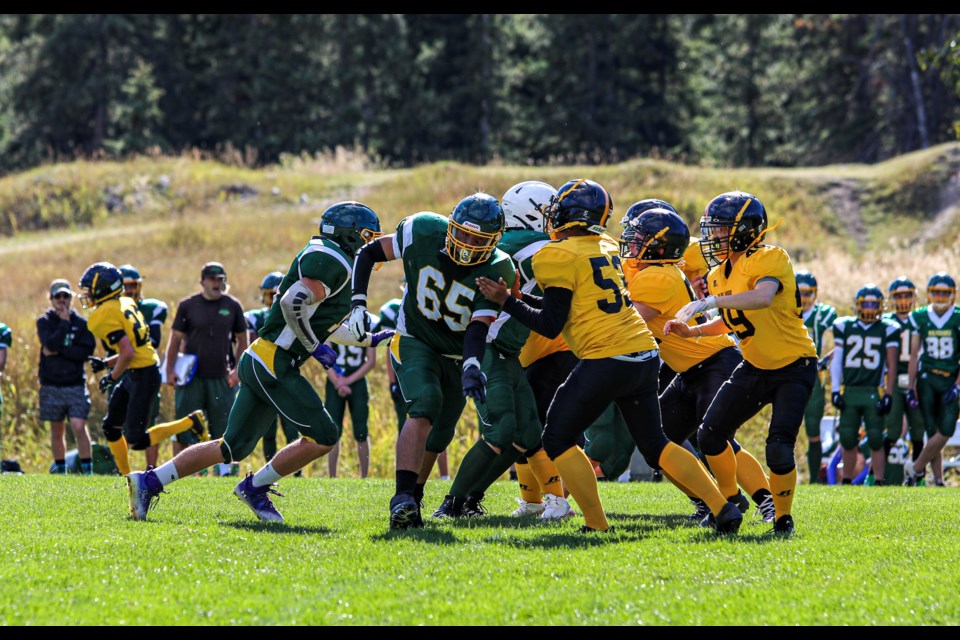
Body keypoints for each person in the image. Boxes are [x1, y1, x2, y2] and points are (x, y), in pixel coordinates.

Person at [478, 179, 742, 534]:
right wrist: (520, 300)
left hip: (607, 356)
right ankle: (723, 508)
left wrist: (506, 301)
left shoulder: (554, 255)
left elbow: (552, 324)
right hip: (643, 353)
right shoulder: (605, 245)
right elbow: (571, 305)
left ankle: (596, 524)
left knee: (556, 437)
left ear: (568, 215)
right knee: (655, 444)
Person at [126, 201, 392, 522]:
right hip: (274, 362)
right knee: (324, 434)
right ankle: (255, 487)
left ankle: (148, 482)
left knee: (231, 448)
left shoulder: (333, 258)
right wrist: (314, 347)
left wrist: (367, 339)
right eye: (365, 235)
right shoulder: (334, 259)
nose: (370, 243)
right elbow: (293, 301)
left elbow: (322, 321)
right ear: (348, 234)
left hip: (260, 358)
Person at [348, 192, 516, 530]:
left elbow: (478, 328)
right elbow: (369, 252)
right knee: (426, 402)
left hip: (456, 352)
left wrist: (471, 365)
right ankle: (402, 498)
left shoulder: (498, 268)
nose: (467, 244)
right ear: (450, 225)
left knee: (440, 435)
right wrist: (357, 303)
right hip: (415, 338)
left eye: (477, 239)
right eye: (463, 234)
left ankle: (414, 499)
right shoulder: (423, 230)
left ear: (494, 241)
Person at [666, 190, 818, 535]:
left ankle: (782, 520)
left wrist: (710, 301)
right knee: (710, 435)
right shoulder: (720, 272)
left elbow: (762, 298)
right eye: (713, 229)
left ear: (746, 229)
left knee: (778, 447)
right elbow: (735, 319)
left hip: (794, 365)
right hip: (754, 365)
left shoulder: (770, 257)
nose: (713, 236)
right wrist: (693, 333)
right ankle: (731, 499)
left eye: (720, 229)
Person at [620, 201, 776, 524]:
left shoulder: (658, 277)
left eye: (637, 238)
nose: (630, 245)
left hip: (715, 361)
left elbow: (626, 322)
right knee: (657, 442)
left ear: (657, 244)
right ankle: (711, 500)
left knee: (715, 438)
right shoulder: (658, 271)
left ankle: (765, 501)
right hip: (690, 371)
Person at [432, 180, 574, 519]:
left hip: (503, 351)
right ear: (533, 215)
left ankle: (550, 503)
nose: (554, 222)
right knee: (502, 431)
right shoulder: (532, 247)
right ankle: (453, 505)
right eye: (549, 214)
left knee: (527, 433)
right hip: (488, 347)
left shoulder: (505, 244)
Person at [79, 262, 209, 478]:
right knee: (111, 426)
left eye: (90, 289)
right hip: (139, 369)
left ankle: (191, 422)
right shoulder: (125, 302)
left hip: (143, 374)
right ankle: (127, 477)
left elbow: (127, 352)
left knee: (137, 439)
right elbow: (133, 349)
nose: (86, 294)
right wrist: (106, 364)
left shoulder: (101, 316)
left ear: (102, 289)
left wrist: (111, 376)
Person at [165, 261, 248, 475]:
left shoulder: (233, 305)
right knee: (186, 428)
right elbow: (175, 339)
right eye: (212, 279)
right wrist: (170, 370)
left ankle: (226, 473)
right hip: (190, 378)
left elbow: (242, 338)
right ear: (202, 281)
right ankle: (187, 473)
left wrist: (238, 369)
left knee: (226, 428)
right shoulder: (188, 305)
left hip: (222, 377)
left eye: (220, 279)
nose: (216, 283)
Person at [377, 280, 451, 480]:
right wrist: (392, 382)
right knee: (408, 426)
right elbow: (390, 347)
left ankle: (444, 475)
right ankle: (405, 475)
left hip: (433, 368)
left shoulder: (437, 306)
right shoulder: (395, 308)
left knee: (437, 426)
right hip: (407, 369)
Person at [829, 284, 899, 484]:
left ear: (880, 306)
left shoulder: (888, 328)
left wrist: (889, 394)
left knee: (877, 438)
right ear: (857, 305)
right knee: (848, 438)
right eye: (865, 304)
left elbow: (892, 365)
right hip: (850, 390)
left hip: (872, 391)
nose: (869, 308)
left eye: (873, 304)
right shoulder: (844, 326)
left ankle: (878, 481)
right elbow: (838, 360)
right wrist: (835, 391)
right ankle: (847, 480)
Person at [105, 264, 170, 468]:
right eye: (125, 286)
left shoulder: (151, 308)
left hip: (144, 372)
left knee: (148, 423)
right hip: (122, 372)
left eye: (133, 285)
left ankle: (150, 470)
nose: (130, 290)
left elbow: (156, 341)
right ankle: (123, 470)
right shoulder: (111, 310)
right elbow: (108, 346)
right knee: (116, 423)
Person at [903, 272, 960, 487]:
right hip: (926, 380)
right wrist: (910, 386)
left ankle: (915, 468)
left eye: (945, 293)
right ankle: (937, 480)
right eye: (936, 292)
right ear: (929, 294)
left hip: (949, 380)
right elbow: (914, 354)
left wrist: (957, 385)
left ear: (952, 295)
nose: (940, 296)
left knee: (946, 430)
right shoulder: (920, 316)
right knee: (932, 431)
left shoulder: (957, 316)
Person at [37, 279, 97, 474]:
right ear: (51, 298)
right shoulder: (44, 322)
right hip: (51, 384)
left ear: (71, 298)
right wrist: (63, 324)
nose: (62, 300)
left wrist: (59, 350)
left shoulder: (82, 324)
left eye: (66, 296)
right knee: (57, 429)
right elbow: (49, 344)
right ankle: (60, 470)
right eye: (58, 296)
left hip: (75, 384)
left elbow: (85, 352)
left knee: (79, 425)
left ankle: (87, 470)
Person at [245, 271, 299, 465]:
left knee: (291, 427)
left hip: (285, 375)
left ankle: (295, 471)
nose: (272, 299)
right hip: (265, 376)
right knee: (268, 431)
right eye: (270, 294)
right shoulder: (255, 317)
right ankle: (270, 468)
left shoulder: (293, 315)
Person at [324, 309, 378, 478]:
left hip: (357, 380)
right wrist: (338, 381)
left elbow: (371, 361)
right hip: (336, 379)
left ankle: (364, 477)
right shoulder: (332, 317)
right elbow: (325, 357)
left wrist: (346, 381)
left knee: (361, 430)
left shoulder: (369, 321)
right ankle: (332, 477)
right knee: (333, 431)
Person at [795, 270, 837, 483]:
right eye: (800, 293)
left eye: (807, 293)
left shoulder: (824, 314)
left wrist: (827, 359)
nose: (803, 298)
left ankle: (813, 480)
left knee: (813, 429)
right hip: (789, 374)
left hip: (814, 377)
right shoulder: (785, 310)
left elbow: (843, 339)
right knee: (785, 429)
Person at [882, 276, 926, 480]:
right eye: (898, 296)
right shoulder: (885, 321)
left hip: (916, 381)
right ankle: (876, 476)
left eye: (907, 295)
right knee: (892, 430)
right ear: (892, 298)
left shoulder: (921, 318)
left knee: (918, 430)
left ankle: (918, 476)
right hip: (893, 378)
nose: (903, 300)